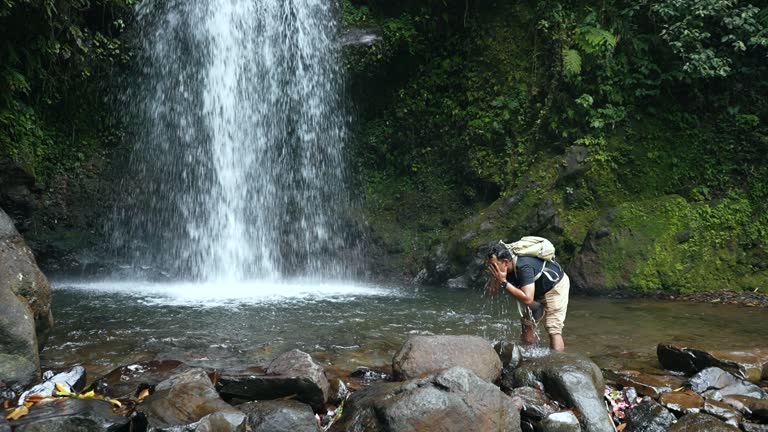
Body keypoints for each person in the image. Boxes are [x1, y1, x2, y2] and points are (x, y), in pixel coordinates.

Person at [485, 241, 570, 351]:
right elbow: (490, 294)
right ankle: (527, 354)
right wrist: (494, 279)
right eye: (489, 266)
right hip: (534, 290)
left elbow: (527, 299)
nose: (491, 269)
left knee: (553, 328)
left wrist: (503, 282)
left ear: (505, 262)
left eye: (493, 266)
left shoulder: (523, 266)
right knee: (527, 325)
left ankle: (557, 362)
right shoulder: (501, 270)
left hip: (555, 287)